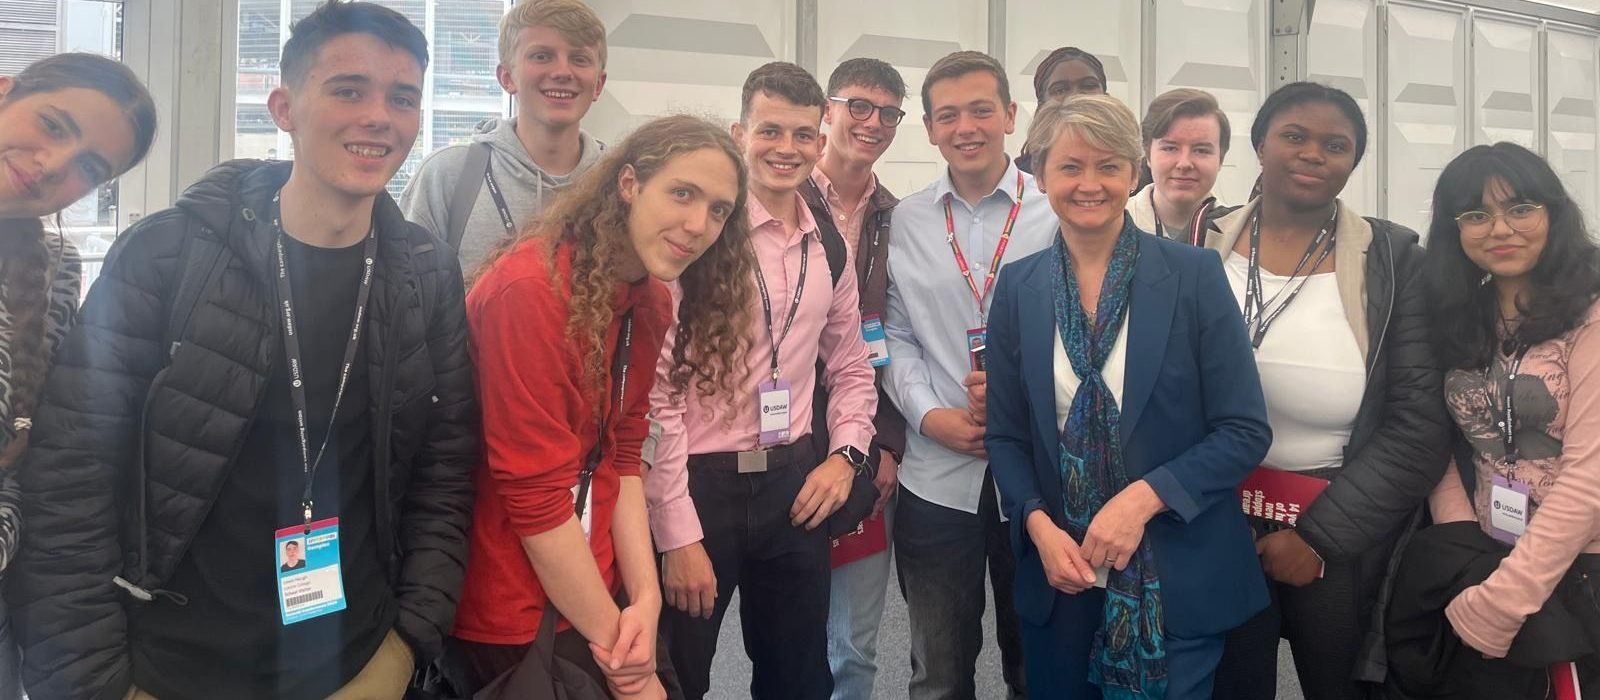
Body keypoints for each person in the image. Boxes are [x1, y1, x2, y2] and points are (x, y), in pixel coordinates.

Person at [7, 4, 480, 699]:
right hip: (168, 670)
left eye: (401, 97)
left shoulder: (424, 272)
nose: (379, 115)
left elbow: (445, 473)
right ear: (284, 107)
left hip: (355, 662)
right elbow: (69, 484)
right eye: (348, 89)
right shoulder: (168, 255)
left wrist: (405, 645)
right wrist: (94, 686)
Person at [445, 115, 752, 700]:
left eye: (719, 210)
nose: (698, 225)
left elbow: (624, 456)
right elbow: (534, 499)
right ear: (630, 184)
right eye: (682, 193)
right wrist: (624, 660)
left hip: (599, 585)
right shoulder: (530, 291)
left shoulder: (649, 302)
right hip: (515, 607)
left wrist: (645, 599)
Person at [984, 93, 1273, 699]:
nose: (1089, 184)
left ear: (1134, 172)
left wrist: (1140, 501)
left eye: (1108, 166)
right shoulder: (1019, 287)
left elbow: (1243, 429)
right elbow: (1007, 435)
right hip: (1063, 571)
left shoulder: (1192, 276)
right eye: (1069, 167)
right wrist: (1036, 524)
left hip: (1173, 578)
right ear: (1039, 175)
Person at [1204, 82, 1451, 700]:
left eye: (1335, 145)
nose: (1313, 154)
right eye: (1295, 136)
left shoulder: (1393, 262)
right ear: (1259, 144)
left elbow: (1417, 426)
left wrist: (1318, 538)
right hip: (1218, 517)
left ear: (1352, 163)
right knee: (1227, 684)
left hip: (1338, 528)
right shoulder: (1200, 246)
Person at [646, 61, 877, 700]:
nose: (787, 149)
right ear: (739, 131)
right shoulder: (701, 238)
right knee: (674, 676)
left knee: (799, 679)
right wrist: (676, 531)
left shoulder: (827, 247)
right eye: (770, 131)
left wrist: (847, 458)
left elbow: (853, 367)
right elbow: (656, 394)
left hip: (793, 484)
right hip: (697, 486)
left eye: (804, 135)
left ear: (822, 138)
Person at [883, 50, 1056, 700]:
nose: (967, 127)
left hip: (1038, 471)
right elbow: (896, 335)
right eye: (948, 115)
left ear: (1011, 115)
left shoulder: (1056, 209)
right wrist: (930, 415)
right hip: (936, 477)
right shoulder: (908, 220)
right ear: (929, 129)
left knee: (1038, 656)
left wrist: (1020, 398)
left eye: (982, 109)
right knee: (939, 669)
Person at [1410, 141, 1600, 694]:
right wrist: (1462, 539)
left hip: (1581, 568)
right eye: (1476, 214)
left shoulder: (1590, 314)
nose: (1500, 229)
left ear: (1553, 212)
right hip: (1488, 554)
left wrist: (1507, 597)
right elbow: (1443, 439)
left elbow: (1589, 475)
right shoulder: (1461, 313)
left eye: (1521, 208)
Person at [0, 51, 156, 697]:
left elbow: (24, 456)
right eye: (54, 125)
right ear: (5, 92)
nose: (54, 166)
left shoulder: (55, 267)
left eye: (91, 168)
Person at [805, 57, 909, 700]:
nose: (872, 123)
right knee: (785, 628)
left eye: (887, 112)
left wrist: (888, 442)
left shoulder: (901, 219)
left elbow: (904, 336)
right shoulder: (778, 199)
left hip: (868, 441)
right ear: (827, 109)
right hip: (780, 440)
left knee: (855, 640)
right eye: (858, 107)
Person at [401, 0, 607, 271]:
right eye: (542, 56)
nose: (562, 72)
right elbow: (405, 294)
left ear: (599, 84)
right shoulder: (446, 176)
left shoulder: (620, 183)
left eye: (579, 59)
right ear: (506, 77)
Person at [1127, 88, 1229, 244]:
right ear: (1148, 155)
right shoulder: (1112, 226)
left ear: (1221, 159)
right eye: (1170, 148)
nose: (1184, 163)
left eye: (1201, 150)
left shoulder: (1242, 235)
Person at [1017, 47, 1107, 175]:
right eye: (1060, 90)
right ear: (1042, 105)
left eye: (1088, 86)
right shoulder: (1022, 183)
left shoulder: (1134, 171)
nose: (1076, 96)